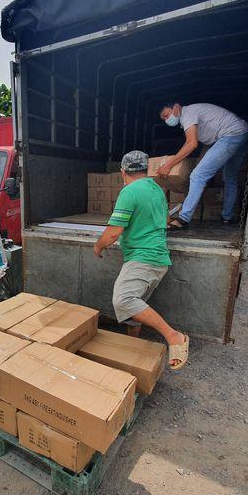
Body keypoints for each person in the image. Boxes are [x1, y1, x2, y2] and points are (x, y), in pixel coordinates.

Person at [93, 150, 189, 368]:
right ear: (147, 170)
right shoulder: (157, 189)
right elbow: (164, 220)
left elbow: (113, 232)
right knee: (137, 304)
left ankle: (174, 336)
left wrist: (99, 246)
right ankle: (132, 345)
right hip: (158, 259)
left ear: (123, 172)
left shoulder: (129, 191)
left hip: (143, 258)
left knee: (124, 299)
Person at [158, 102, 248, 230]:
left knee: (198, 175)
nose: (166, 120)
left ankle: (183, 219)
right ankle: (227, 217)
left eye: (166, 115)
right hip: (243, 133)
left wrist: (168, 165)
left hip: (231, 134)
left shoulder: (188, 113)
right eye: (163, 119)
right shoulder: (194, 112)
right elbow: (208, 143)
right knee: (230, 177)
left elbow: (191, 143)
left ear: (176, 107)